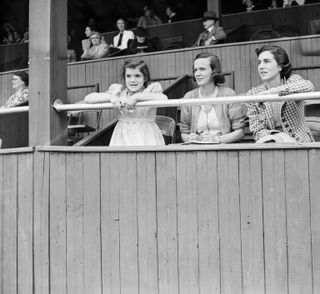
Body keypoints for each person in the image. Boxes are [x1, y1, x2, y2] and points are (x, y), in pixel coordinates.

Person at [83, 60, 167, 146]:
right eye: (128, 76)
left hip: (146, 134)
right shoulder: (119, 92)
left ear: (145, 78)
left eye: (137, 76)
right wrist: (111, 97)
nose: (132, 80)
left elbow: (164, 99)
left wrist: (136, 97)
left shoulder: (150, 91)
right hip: (123, 134)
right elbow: (88, 98)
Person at [246, 45, 314, 143]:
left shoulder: (292, 81)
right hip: (272, 144)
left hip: (301, 143)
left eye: (267, 61)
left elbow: (308, 86)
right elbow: (258, 130)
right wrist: (279, 136)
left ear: (280, 66)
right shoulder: (253, 94)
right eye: (259, 62)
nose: (261, 66)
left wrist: (273, 91)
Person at [180, 52, 246, 143]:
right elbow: (184, 132)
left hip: (224, 150)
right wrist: (189, 138)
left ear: (214, 71)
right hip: (196, 150)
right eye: (195, 70)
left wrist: (216, 139)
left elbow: (239, 132)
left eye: (202, 69)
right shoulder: (188, 97)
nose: (197, 74)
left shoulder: (229, 94)